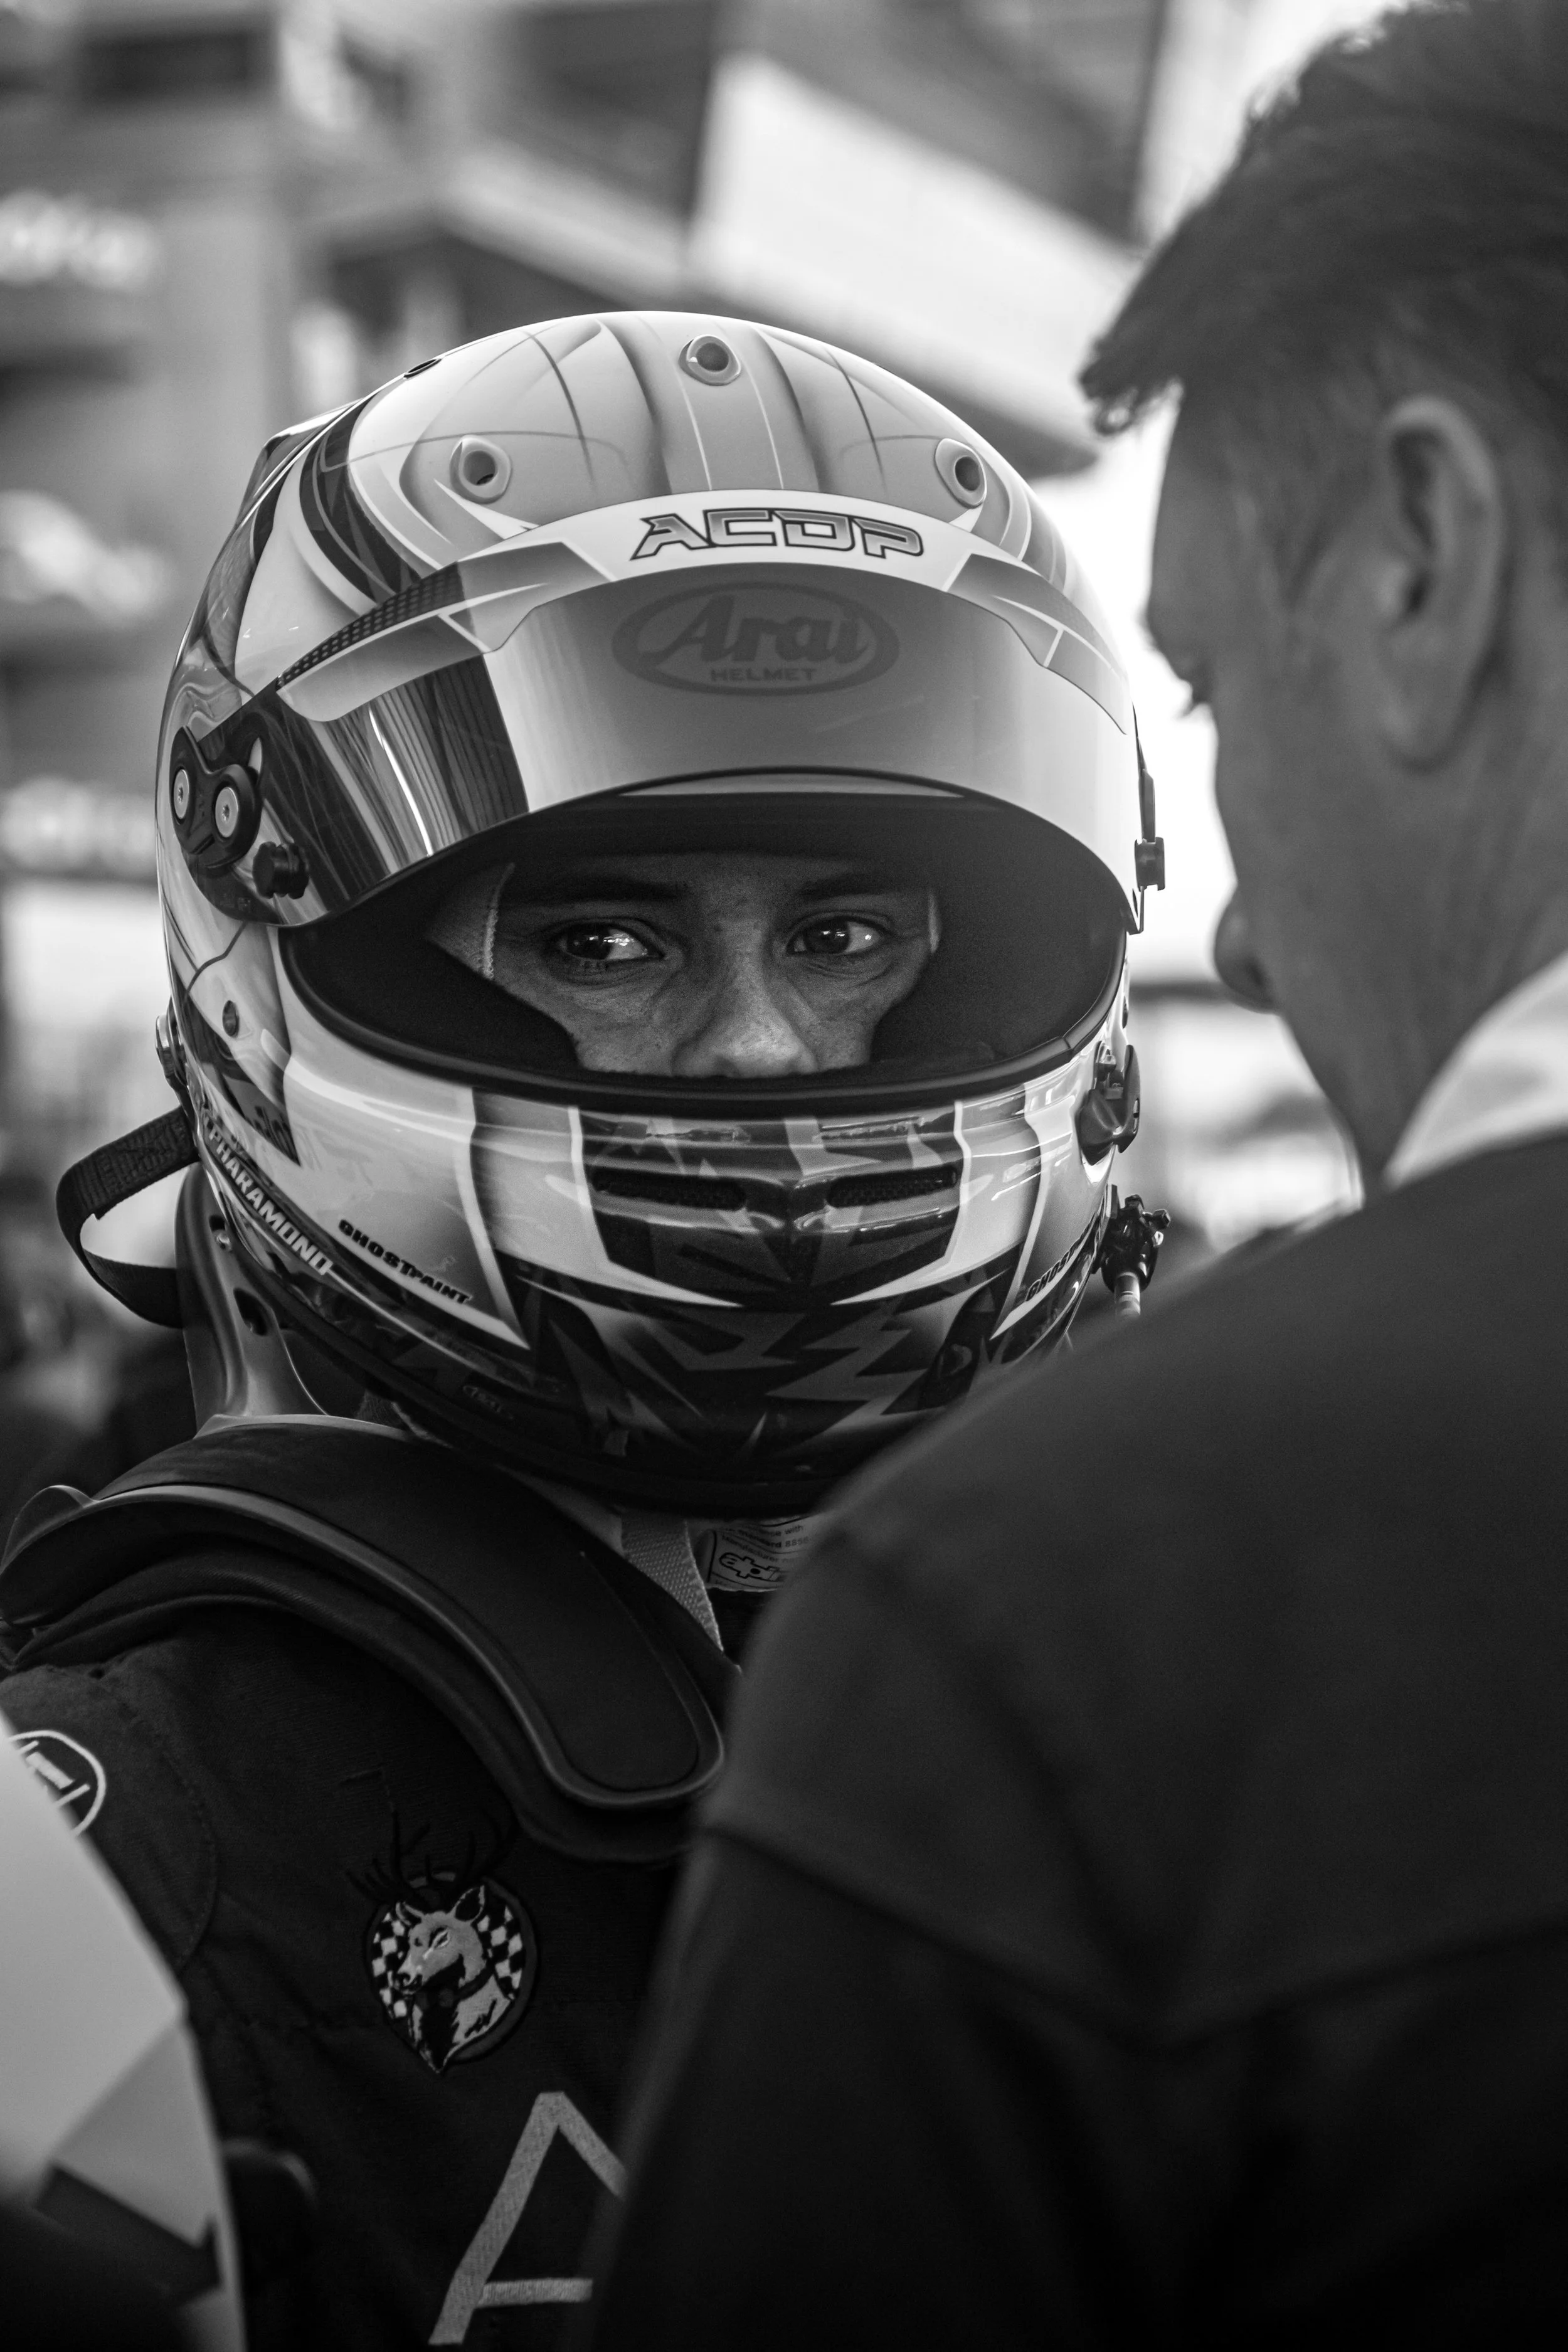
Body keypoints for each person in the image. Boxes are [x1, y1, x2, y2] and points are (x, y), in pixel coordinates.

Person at [0, 310, 1157, 2348]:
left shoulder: (1170, 1713)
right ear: (302, 945)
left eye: (849, 937)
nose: (763, 1047)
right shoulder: (77, 1881)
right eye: (600, 940)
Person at [582, 7, 1568, 2345]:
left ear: (1425, 559)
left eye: (1212, 693)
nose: (1220, 924)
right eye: (615, 942)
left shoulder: (1060, 1611)